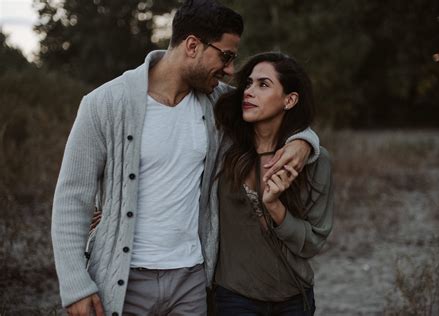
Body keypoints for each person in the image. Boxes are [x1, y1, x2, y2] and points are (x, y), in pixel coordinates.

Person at [51, 1, 320, 316]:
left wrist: (303, 141)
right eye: (226, 56)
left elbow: (279, 116)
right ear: (192, 45)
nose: (231, 70)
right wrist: (75, 285)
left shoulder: (219, 103)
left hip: (192, 279)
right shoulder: (105, 104)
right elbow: (72, 198)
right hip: (124, 280)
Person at [210, 52, 334, 315]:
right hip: (233, 295)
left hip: (293, 297)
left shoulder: (315, 161)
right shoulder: (223, 147)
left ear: (289, 100)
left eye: (263, 84)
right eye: (248, 83)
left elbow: (313, 242)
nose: (249, 92)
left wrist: (275, 207)